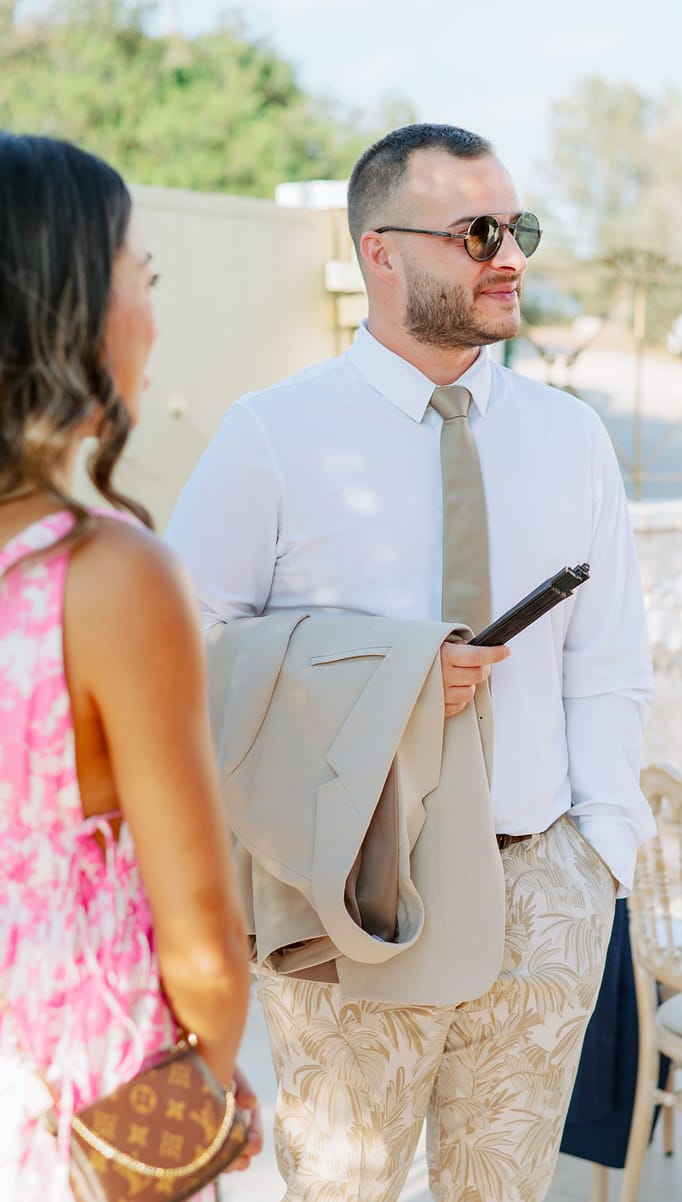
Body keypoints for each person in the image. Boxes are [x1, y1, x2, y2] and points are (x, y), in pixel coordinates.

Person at [166, 123, 655, 1202]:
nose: (510, 255)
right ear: (378, 251)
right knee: (343, 1189)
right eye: (477, 231)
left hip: (541, 884)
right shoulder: (272, 437)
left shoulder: (571, 438)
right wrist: (383, 681)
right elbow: (184, 659)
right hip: (355, 895)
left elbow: (608, 660)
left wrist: (597, 857)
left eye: (517, 227)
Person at [0, 133, 263, 1200]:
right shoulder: (110, 575)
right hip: (89, 1113)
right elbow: (202, 940)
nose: (154, 317)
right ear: (69, 309)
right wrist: (201, 1090)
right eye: (141, 277)